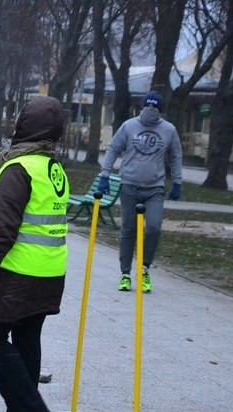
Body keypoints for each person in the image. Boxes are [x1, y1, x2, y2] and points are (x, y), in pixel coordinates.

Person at [0, 96, 70, 412]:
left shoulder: (18, 168)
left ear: (23, 126)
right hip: (50, 271)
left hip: (17, 270)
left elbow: (5, 229)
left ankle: (29, 407)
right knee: (26, 337)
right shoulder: (53, 168)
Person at [98, 90, 183, 293]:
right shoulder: (129, 126)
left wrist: (178, 181)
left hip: (155, 188)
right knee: (129, 230)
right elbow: (112, 149)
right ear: (141, 106)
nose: (150, 110)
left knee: (153, 228)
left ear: (160, 110)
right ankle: (125, 274)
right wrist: (104, 175)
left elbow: (176, 156)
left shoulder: (169, 130)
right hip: (129, 185)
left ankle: (144, 269)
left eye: (154, 107)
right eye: (147, 106)